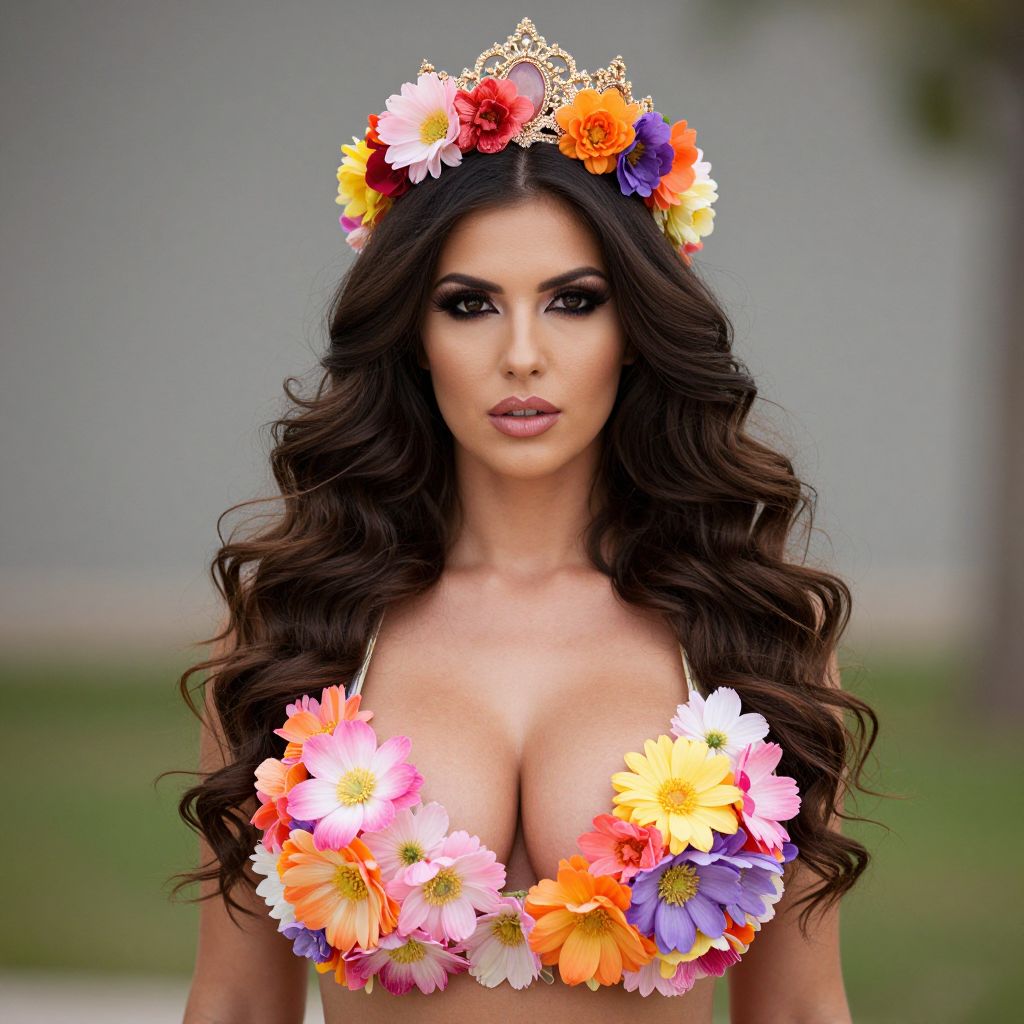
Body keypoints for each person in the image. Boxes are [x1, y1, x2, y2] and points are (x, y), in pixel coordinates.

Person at [175, 18, 878, 1024]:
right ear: (413, 336)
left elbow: (803, 1012)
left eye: (572, 302)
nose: (520, 353)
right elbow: (238, 1007)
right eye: (468, 305)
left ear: (633, 330)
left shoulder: (752, 633)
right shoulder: (296, 628)